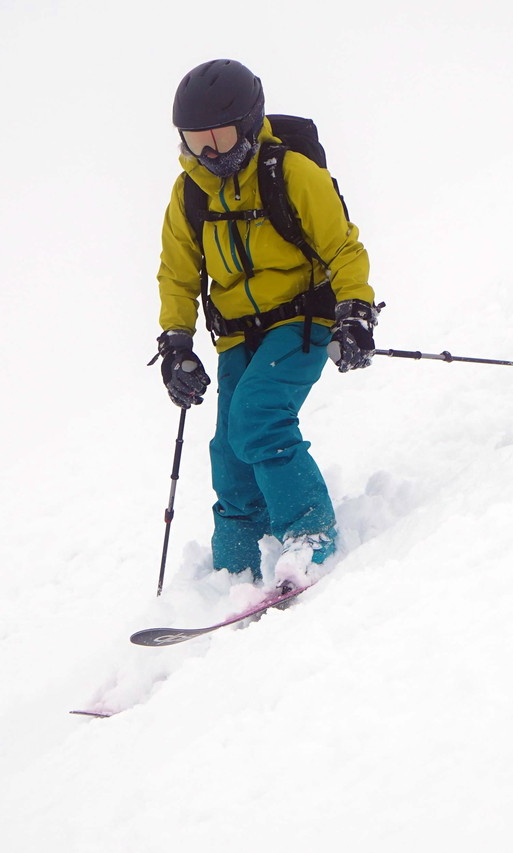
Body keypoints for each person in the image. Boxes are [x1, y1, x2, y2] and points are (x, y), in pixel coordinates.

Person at [154, 58, 379, 592]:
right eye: (197, 140)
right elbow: (178, 274)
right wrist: (176, 342)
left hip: (303, 320)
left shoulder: (292, 173)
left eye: (222, 136)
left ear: (250, 125)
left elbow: (344, 248)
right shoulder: (189, 193)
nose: (211, 152)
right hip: (236, 333)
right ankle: (235, 562)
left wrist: (355, 313)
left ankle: (310, 534)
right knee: (230, 446)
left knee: (258, 414)